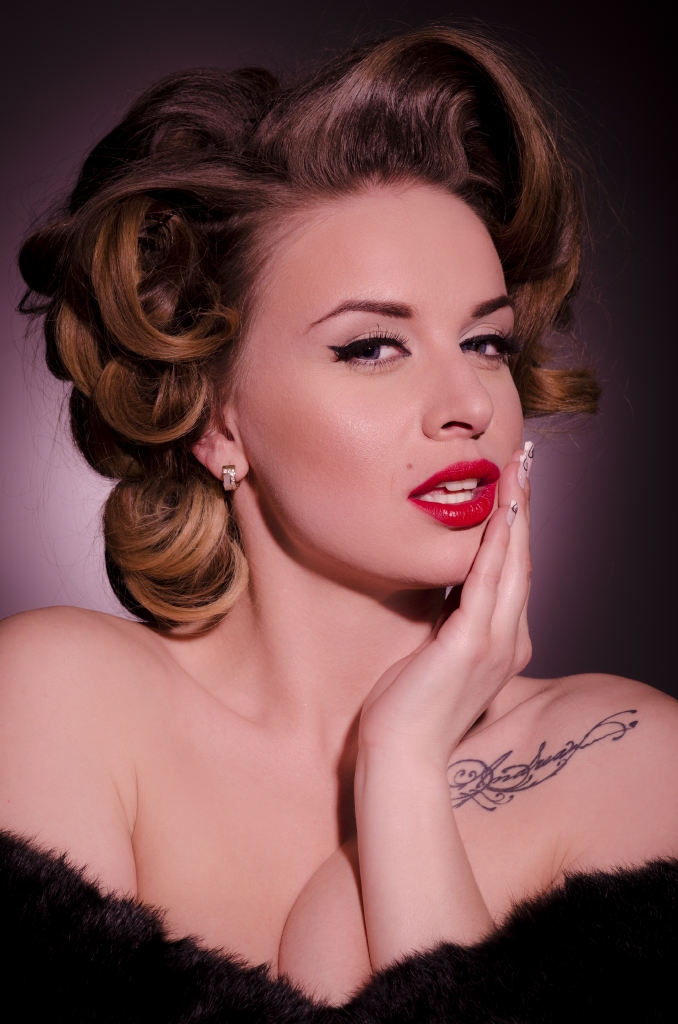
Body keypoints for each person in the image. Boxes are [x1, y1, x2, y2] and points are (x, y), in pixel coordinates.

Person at [1, 25, 676, 1022]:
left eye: (486, 343)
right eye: (371, 347)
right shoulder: (61, 697)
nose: (468, 405)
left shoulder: (629, 753)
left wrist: (403, 770)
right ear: (215, 416)